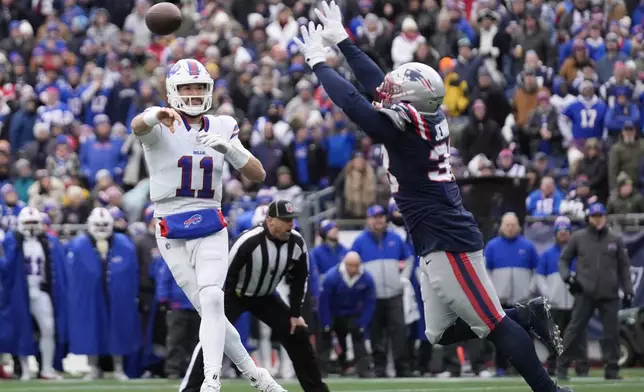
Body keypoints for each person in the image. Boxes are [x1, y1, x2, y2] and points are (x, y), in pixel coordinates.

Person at [295, 2, 570, 391]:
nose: (387, 90)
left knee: (492, 325)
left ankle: (548, 388)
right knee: (438, 333)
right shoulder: (427, 116)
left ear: (409, 101)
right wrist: (342, 41)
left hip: (449, 241)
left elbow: (355, 104)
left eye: (397, 90)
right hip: (433, 238)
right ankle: (524, 316)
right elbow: (377, 84)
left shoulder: (405, 132)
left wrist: (319, 64)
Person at [129, 58, 283, 392]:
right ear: (173, 91)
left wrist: (231, 150)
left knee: (213, 300)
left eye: (200, 87)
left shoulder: (223, 125)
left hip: (210, 219)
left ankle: (210, 382)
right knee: (207, 308)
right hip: (170, 223)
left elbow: (258, 174)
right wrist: (156, 113)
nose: (195, 93)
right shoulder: (161, 123)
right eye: (187, 87)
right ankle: (258, 376)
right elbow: (137, 126)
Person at [181, 199, 329, 392]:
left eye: (291, 219)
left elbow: (299, 279)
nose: (290, 224)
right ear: (270, 220)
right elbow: (228, 273)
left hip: (265, 296)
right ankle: (190, 389)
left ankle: (317, 390)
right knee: (213, 335)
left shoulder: (296, 243)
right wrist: (219, 311)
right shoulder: (249, 241)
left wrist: (295, 313)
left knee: (297, 333)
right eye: (285, 219)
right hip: (235, 294)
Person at [557, 202, 634, 380]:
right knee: (574, 330)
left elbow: (624, 267)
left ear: (605, 217)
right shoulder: (578, 237)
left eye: (600, 216)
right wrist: (568, 278)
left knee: (612, 332)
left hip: (610, 293)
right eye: (594, 216)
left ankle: (612, 369)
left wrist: (628, 289)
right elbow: (563, 261)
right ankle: (561, 366)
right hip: (585, 291)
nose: (598, 219)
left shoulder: (615, 239)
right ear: (589, 218)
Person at [0, 207, 67, 380]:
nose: (30, 226)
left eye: (34, 222)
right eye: (27, 223)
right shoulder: (12, 240)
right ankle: (25, 369)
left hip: (40, 290)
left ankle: (46, 368)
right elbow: (7, 267)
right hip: (19, 292)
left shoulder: (47, 240)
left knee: (48, 328)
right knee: (21, 331)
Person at [318, 251, 376, 377]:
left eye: (356, 265)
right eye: (351, 265)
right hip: (333, 312)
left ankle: (364, 369)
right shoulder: (331, 277)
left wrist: (363, 323)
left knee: (359, 337)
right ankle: (322, 369)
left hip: (352, 313)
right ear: (345, 264)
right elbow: (324, 301)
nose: (353, 269)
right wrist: (326, 322)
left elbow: (369, 303)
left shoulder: (367, 278)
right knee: (325, 338)